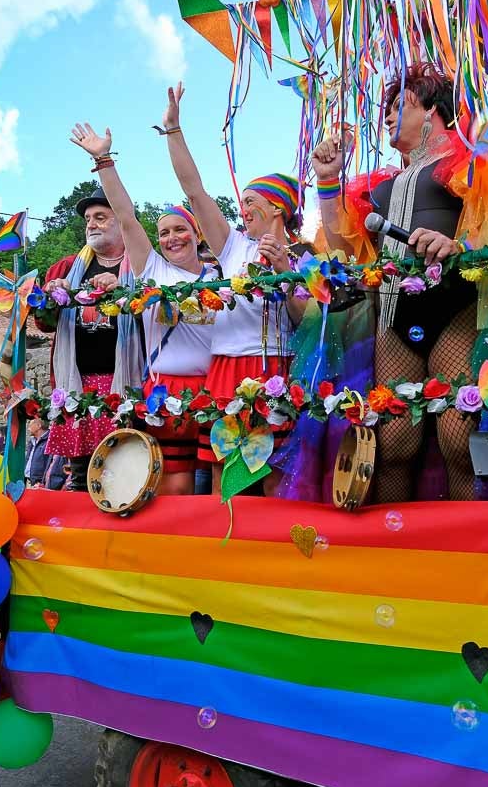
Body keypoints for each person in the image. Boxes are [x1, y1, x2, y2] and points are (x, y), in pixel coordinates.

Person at [314, 62, 488, 501]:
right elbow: (345, 248)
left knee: (458, 440)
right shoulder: (381, 185)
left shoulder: (472, 163)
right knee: (391, 444)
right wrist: (327, 180)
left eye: (397, 106)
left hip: (455, 309)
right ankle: (396, 553)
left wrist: (458, 245)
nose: (388, 117)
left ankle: (469, 557)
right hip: (392, 316)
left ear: (431, 107)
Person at [159, 83, 308, 495]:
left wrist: (284, 271)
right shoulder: (233, 245)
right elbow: (194, 191)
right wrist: (174, 130)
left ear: (278, 207)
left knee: (275, 478)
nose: (242, 208)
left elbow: (305, 321)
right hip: (226, 368)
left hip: (278, 369)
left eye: (250, 200)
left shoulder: (304, 258)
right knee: (228, 485)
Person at [71, 121, 216, 495]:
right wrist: (103, 160)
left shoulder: (221, 272)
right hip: (165, 389)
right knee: (177, 485)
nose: (171, 238)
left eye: (180, 229)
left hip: (217, 389)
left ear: (197, 234)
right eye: (164, 232)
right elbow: (125, 216)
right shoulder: (152, 269)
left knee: (217, 484)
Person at [40, 190, 144, 491]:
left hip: (122, 380)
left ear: (123, 222)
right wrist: (51, 297)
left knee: (122, 468)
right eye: (88, 219)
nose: (92, 225)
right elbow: (44, 324)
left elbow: (154, 320)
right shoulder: (66, 268)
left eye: (101, 217)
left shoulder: (140, 265)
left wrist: (123, 290)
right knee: (79, 475)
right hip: (77, 382)